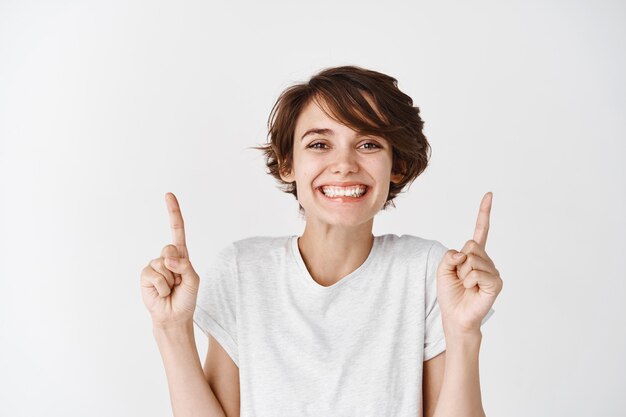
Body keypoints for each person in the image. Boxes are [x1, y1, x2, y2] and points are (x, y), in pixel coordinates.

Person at [140, 66, 503, 417]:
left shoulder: (428, 270)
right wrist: (171, 330)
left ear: (397, 166)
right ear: (287, 164)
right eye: (319, 143)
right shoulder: (242, 269)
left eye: (367, 143)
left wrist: (464, 333)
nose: (343, 164)